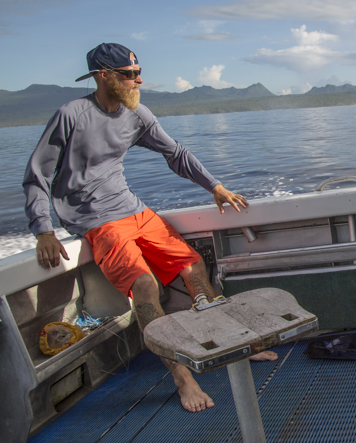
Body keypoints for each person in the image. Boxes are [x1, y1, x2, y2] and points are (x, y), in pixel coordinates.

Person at [23, 43, 277, 413]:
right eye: (128, 74)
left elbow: (175, 153)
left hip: (134, 209)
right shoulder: (71, 115)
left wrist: (215, 186)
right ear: (102, 75)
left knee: (193, 266)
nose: (137, 79)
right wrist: (42, 229)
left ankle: (226, 341)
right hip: (96, 221)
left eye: (138, 72)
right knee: (144, 286)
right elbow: (37, 176)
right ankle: (182, 377)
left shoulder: (135, 114)